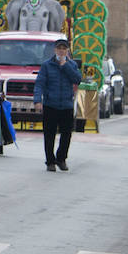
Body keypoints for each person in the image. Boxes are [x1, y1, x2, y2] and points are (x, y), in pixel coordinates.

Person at [33, 39, 82, 171]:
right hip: (51, 104)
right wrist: (38, 101)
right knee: (49, 134)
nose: (61, 51)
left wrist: (65, 65)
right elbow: (40, 84)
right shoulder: (47, 65)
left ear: (67, 51)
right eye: (59, 48)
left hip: (66, 105)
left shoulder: (71, 65)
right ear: (55, 50)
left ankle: (61, 158)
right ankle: (50, 161)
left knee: (66, 134)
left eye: (64, 49)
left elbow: (77, 79)